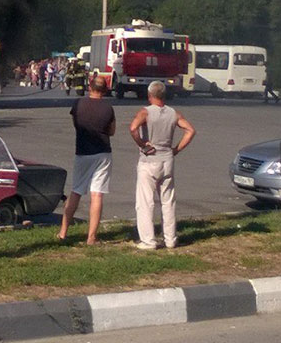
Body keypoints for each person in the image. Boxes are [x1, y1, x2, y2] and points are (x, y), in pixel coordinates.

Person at [129, 81, 196, 250]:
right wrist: (176, 149)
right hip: (167, 159)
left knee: (145, 202)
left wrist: (143, 145)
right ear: (164, 95)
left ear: (150, 95)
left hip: (149, 160)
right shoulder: (174, 113)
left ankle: (149, 240)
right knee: (168, 201)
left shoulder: (145, 112)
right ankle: (170, 239)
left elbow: (133, 128)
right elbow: (190, 130)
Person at [57, 75, 116, 244]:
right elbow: (111, 131)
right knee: (97, 195)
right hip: (103, 152)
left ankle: (63, 232)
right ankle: (91, 237)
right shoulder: (108, 108)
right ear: (104, 90)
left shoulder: (78, 104)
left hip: (83, 151)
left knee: (76, 191)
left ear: (90, 87)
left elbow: (76, 123)